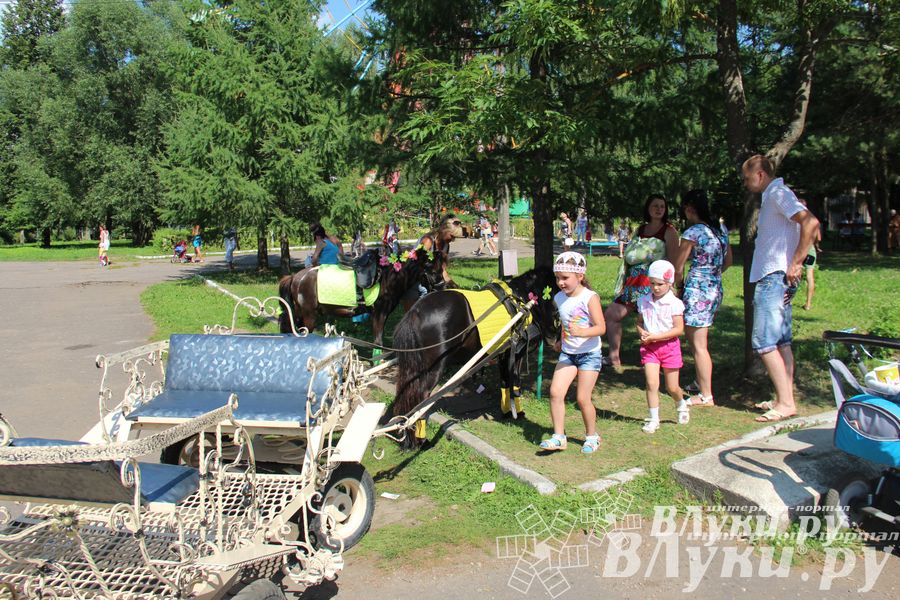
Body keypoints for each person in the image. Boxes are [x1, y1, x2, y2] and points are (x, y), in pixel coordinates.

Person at [742, 154, 820, 423]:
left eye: (747, 177)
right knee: (782, 342)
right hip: (777, 277)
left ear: (760, 174)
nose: (745, 182)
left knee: (763, 342)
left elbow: (811, 223)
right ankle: (784, 398)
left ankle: (786, 402)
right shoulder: (774, 195)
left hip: (774, 277)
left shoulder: (777, 193)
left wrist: (797, 262)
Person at [539, 251, 606, 454]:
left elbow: (601, 327)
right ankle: (559, 437)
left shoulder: (589, 297)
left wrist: (583, 332)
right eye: (558, 278)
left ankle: (592, 436)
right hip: (568, 354)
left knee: (582, 398)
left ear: (580, 277)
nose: (560, 282)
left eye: (565, 278)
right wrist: (561, 339)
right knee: (555, 392)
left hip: (589, 354)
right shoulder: (559, 298)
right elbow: (565, 323)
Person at [604, 195, 680, 373]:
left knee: (653, 322)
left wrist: (674, 285)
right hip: (633, 283)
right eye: (655, 206)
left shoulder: (669, 231)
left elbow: (675, 262)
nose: (659, 209)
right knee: (611, 314)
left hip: (655, 285)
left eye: (662, 206)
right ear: (648, 208)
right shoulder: (641, 229)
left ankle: (655, 360)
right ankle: (614, 356)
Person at [673, 190, 733, 408]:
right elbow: (728, 261)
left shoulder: (693, 232)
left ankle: (706, 394)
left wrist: (679, 286)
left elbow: (678, 267)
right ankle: (700, 380)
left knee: (698, 344)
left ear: (690, 208)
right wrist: (712, 274)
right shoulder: (720, 230)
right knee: (698, 340)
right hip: (714, 287)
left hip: (697, 289)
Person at [636, 260, 689, 433]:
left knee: (672, 387)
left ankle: (680, 404)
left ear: (669, 283)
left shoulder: (674, 303)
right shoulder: (644, 301)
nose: (655, 288)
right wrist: (642, 332)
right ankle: (653, 418)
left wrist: (656, 337)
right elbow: (639, 322)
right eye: (652, 283)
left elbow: (679, 329)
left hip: (669, 347)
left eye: (660, 284)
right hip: (650, 347)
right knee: (651, 384)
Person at [798, 199, 822, 311]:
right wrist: (816, 246)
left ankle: (787, 299)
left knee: (793, 274)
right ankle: (808, 304)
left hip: (797, 249)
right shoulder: (813, 219)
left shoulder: (795, 220)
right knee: (809, 276)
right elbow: (819, 238)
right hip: (810, 250)